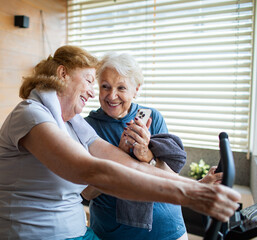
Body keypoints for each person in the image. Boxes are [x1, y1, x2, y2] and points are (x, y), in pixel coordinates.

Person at [0, 45, 240, 240]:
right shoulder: (30, 114)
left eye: (119, 87)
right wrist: (191, 195)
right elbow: (90, 171)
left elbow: (134, 167)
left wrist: (197, 186)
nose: (95, 92)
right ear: (63, 74)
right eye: (90, 81)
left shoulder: (72, 122)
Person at [83, 52, 222, 240]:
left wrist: (149, 157)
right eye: (105, 86)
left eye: (121, 87)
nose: (112, 95)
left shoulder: (152, 117)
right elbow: (87, 192)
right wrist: (119, 158)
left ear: (136, 90)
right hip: (113, 234)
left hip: (167, 229)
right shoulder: (87, 126)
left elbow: (170, 175)